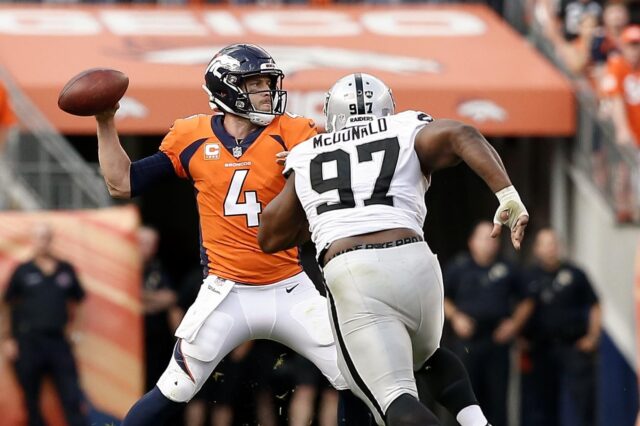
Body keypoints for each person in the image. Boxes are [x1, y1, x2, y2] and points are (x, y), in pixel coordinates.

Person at [93, 43, 369, 426]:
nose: (267, 93)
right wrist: (105, 121)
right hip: (226, 291)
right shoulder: (191, 134)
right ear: (226, 89)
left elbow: (335, 192)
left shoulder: (294, 132)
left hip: (289, 285)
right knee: (175, 387)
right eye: (256, 84)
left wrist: (305, 168)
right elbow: (123, 183)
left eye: (268, 84)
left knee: (358, 377)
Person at [258, 73, 529, 426]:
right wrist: (507, 194)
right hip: (418, 261)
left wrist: (303, 188)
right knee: (427, 356)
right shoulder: (405, 127)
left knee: (394, 400)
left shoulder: (308, 152)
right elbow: (463, 134)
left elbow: (270, 237)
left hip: (355, 272)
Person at [444, 221, 534, 426]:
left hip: (497, 342)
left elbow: (528, 300)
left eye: (494, 238)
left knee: (497, 400)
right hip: (467, 343)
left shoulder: (508, 268)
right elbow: (442, 297)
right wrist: (456, 316)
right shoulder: (458, 267)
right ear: (472, 242)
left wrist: (513, 325)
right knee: (464, 399)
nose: (489, 243)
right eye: (484, 238)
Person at [0, 223, 88, 426]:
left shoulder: (65, 269)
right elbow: (6, 304)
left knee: (71, 396)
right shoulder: (23, 270)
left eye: (46, 238)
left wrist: (76, 331)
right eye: (38, 238)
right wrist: (7, 338)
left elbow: (80, 301)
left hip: (58, 342)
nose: (42, 243)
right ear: (33, 241)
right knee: (31, 400)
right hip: (28, 342)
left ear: (51, 240)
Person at [519, 228, 600, 426]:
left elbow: (595, 305)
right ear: (536, 249)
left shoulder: (575, 273)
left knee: (582, 404)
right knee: (541, 406)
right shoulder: (528, 277)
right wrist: (517, 337)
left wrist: (592, 337)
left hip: (573, 346)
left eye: (553, 244)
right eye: (545, 245)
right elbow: (518, 310)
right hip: (540, 349)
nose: (550, 249)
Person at [138, 226, 178, 391]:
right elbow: (127, 297)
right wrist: (153, 299)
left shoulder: (157, 268)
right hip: (131, 341)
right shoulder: (125, 268)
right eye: (143, 243)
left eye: (151, 244)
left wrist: (143, 298)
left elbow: (171, 298)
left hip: (157, 341)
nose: (148, 248)